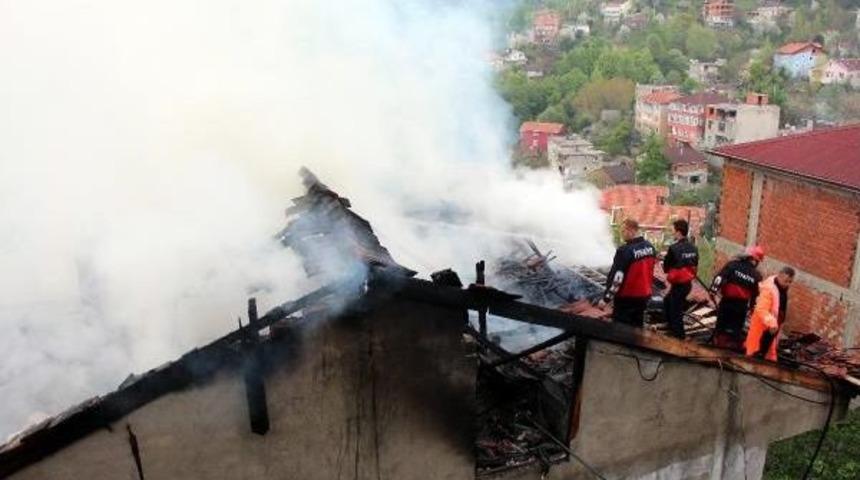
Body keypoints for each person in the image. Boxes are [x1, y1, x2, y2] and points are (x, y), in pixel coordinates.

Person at [599, 219, 657, 327]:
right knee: (637, 328)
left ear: (631, 230)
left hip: (626, 299)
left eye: (623, 231)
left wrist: (606, 299)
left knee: (621, 330)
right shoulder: (650, 247)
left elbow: (617, 279)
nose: (622, 234)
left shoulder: (624, 251)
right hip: (644, 297)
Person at [710, 246, 764, 351]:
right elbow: (756, 295)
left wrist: (713, 291)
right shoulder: (757, 275)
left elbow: (719, 278)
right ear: (754, 260)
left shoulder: (733, 265)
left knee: (721, 325)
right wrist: (752, 308)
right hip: (741, 306)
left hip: (727, 302)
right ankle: (731, 350)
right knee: (736, 329)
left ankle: (716, 347)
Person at [746, 266, 795, 362]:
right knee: (755, 352)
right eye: (786, 281)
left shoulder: (781, 288)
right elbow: (761, 309)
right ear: (779, 276)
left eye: (790, 282)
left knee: (767, 353)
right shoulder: (769, 288)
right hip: (764, 326)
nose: (788, 284)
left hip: (772, 326)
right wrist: (772, 322)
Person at [662, 219, 699, 339]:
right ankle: (670, 327)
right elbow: (695, 263)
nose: (672, 233)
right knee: (667, 301)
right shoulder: (694, 248)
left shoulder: (674, 248)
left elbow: (666, 268)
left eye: (673, 231)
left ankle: (679, 336)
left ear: (678, 232)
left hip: (678, 285)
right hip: (688, 284)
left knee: (675, 310)